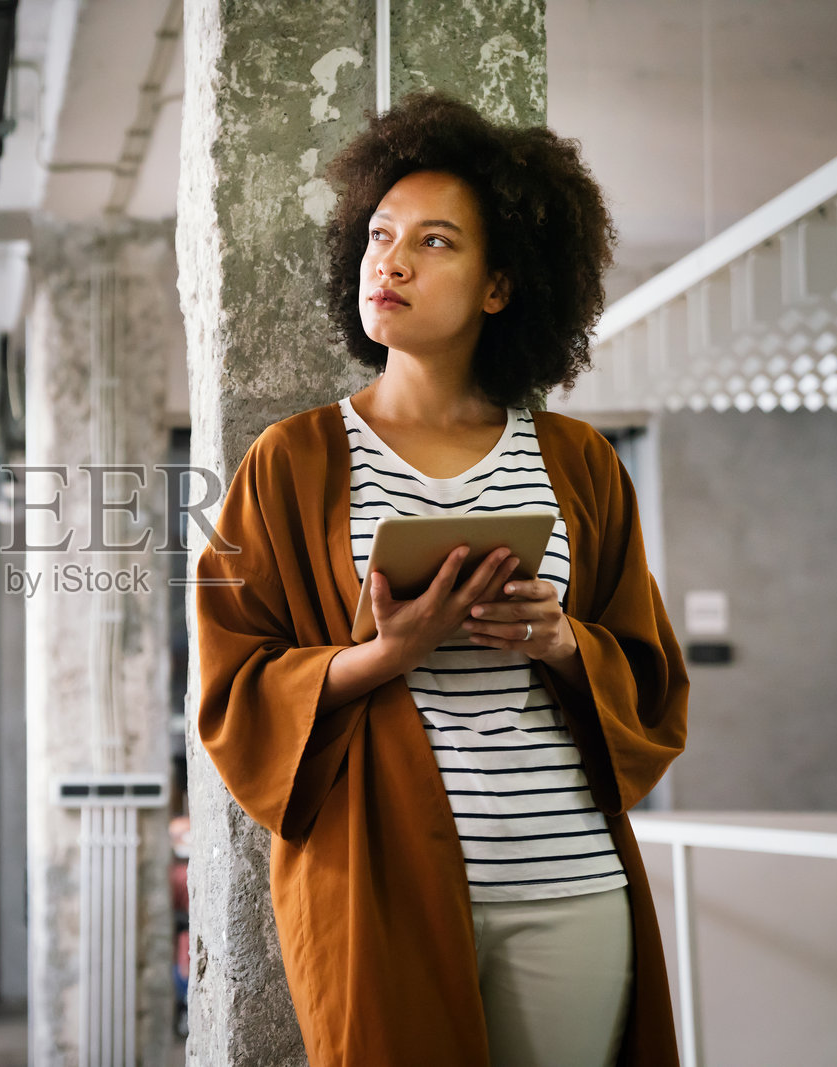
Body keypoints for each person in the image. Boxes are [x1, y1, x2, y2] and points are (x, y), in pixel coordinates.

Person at [194, 92, 689, 1066]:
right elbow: (230, 688)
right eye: (379, 236)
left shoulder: (579, 460)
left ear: (499, 285)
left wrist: (561, 641)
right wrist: (384, 654)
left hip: (568, 879)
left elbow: (651, 678)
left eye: (433, 241)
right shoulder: (292, 461)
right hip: (378, 882)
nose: (392, 259)